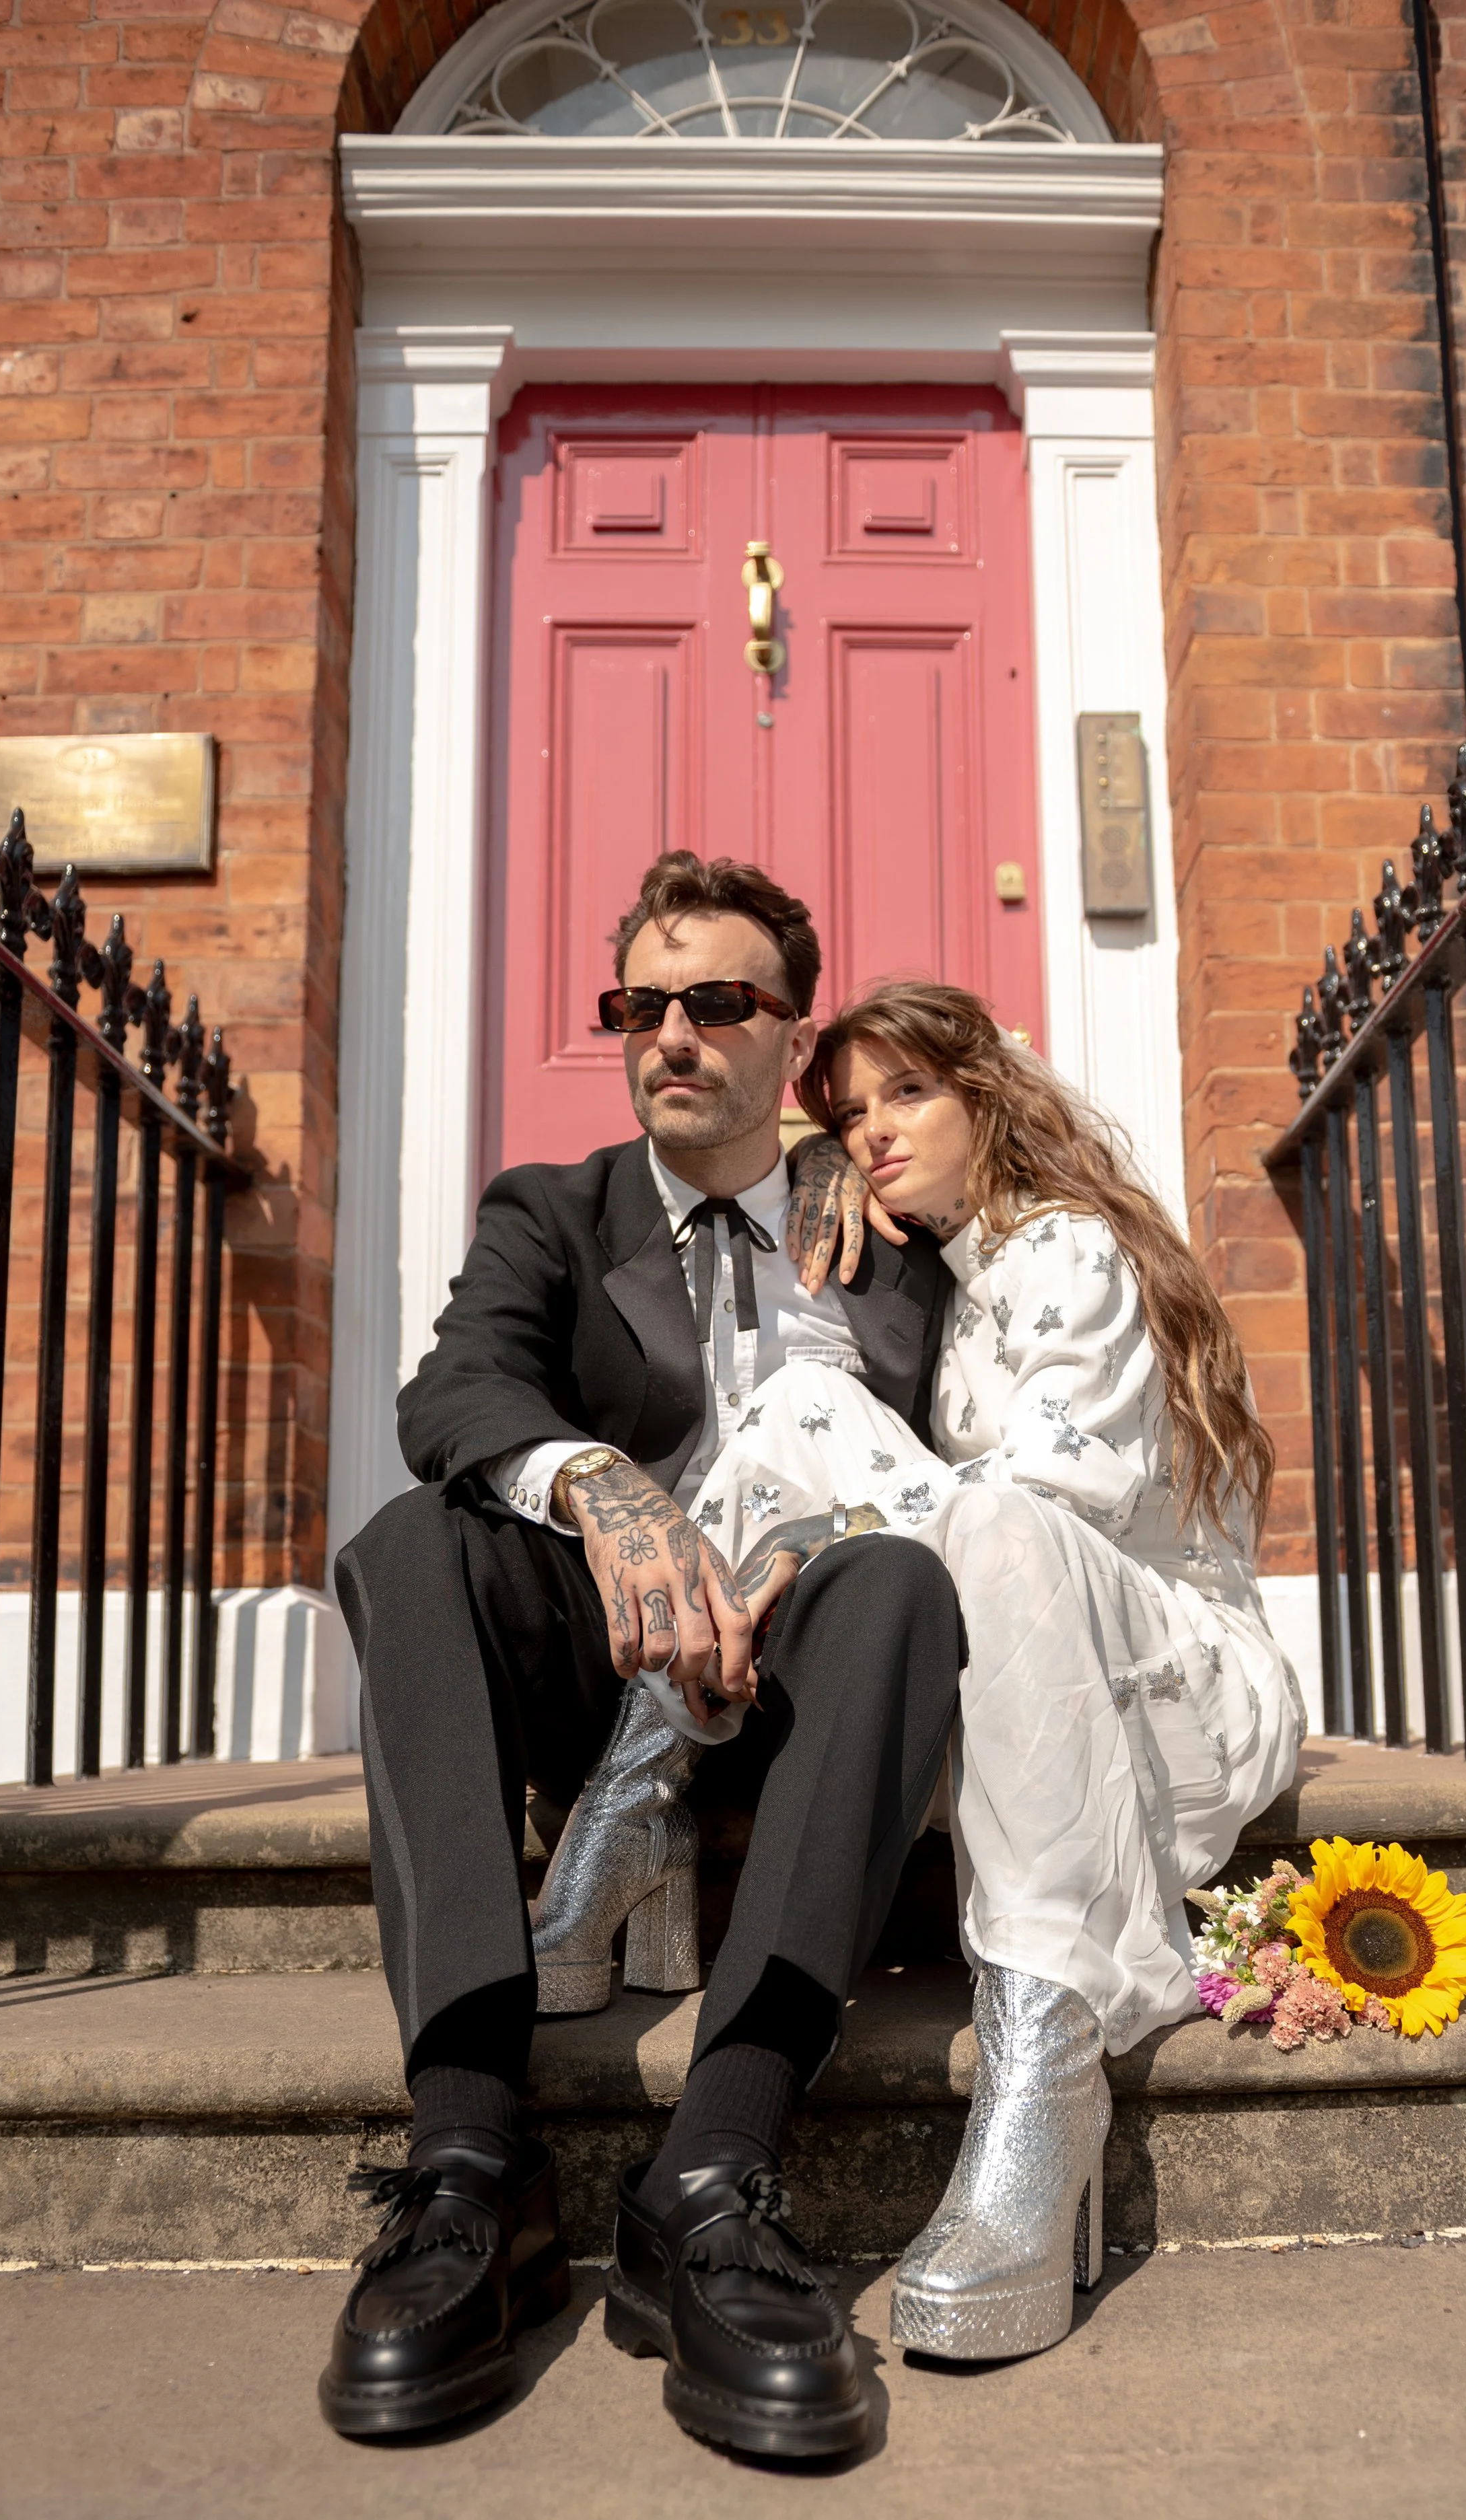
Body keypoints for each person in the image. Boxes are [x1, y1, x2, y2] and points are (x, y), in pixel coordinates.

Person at [322, 857, 965, 2459]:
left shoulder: (882, 1227)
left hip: (803, 1668)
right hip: (598, 1658)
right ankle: (472, 2161)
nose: (669, 1034)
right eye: (640, 1004)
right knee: (414, 1540)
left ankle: (711, 2171)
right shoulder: (554, 1208)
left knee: (894, 1582)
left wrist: (863, 1168)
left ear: (789, 1036)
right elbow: (454, 1396)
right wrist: (598, 1482)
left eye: (718, 1003)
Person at [581, 979, 1304, 2362]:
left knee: (989, 1516)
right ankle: (646, 1781)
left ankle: (1046, 2060)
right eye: (845, 1116)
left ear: (992, 1093)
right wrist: (797, 1169)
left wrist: (826, 1537)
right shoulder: (950, 1284)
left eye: (906, 1093)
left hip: (1182, 1680)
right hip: (1045, 1666)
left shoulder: (1072, 1249)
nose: (870, 1137)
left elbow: (1045, 1499)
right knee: (792, 1402)